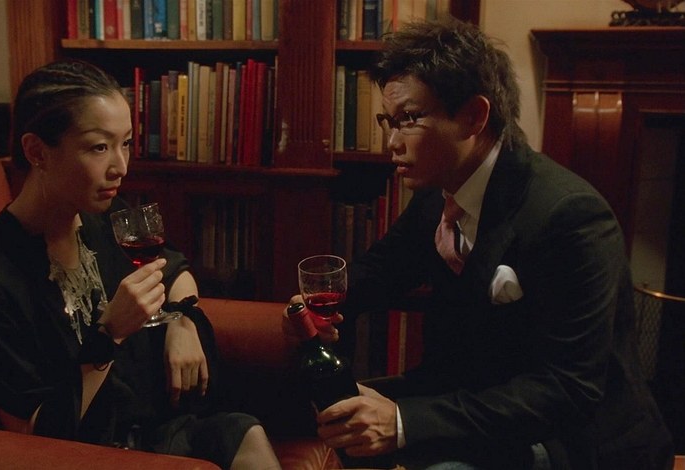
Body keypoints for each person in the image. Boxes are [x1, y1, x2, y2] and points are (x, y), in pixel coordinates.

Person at [284, 18, 673, 469]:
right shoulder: (438, 192)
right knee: (330, 412)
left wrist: (403, 422)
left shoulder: (570, 216)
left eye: (408, 119)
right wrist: (312, 312)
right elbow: (380, 271)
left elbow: (568, 389)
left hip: (576, 438)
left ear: (473, 116)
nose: (391, 142)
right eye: (388, 121)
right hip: (476, 400)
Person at [0, 59, 280, 470]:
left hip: (150, 430)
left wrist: (182, 321)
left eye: (125, 143)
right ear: (37, 151)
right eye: (98, 147)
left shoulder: (109, 218)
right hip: (82, 452)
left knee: (246, 433)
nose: (121, 167)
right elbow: (33, 432)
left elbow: (173, 267)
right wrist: (110, 334)